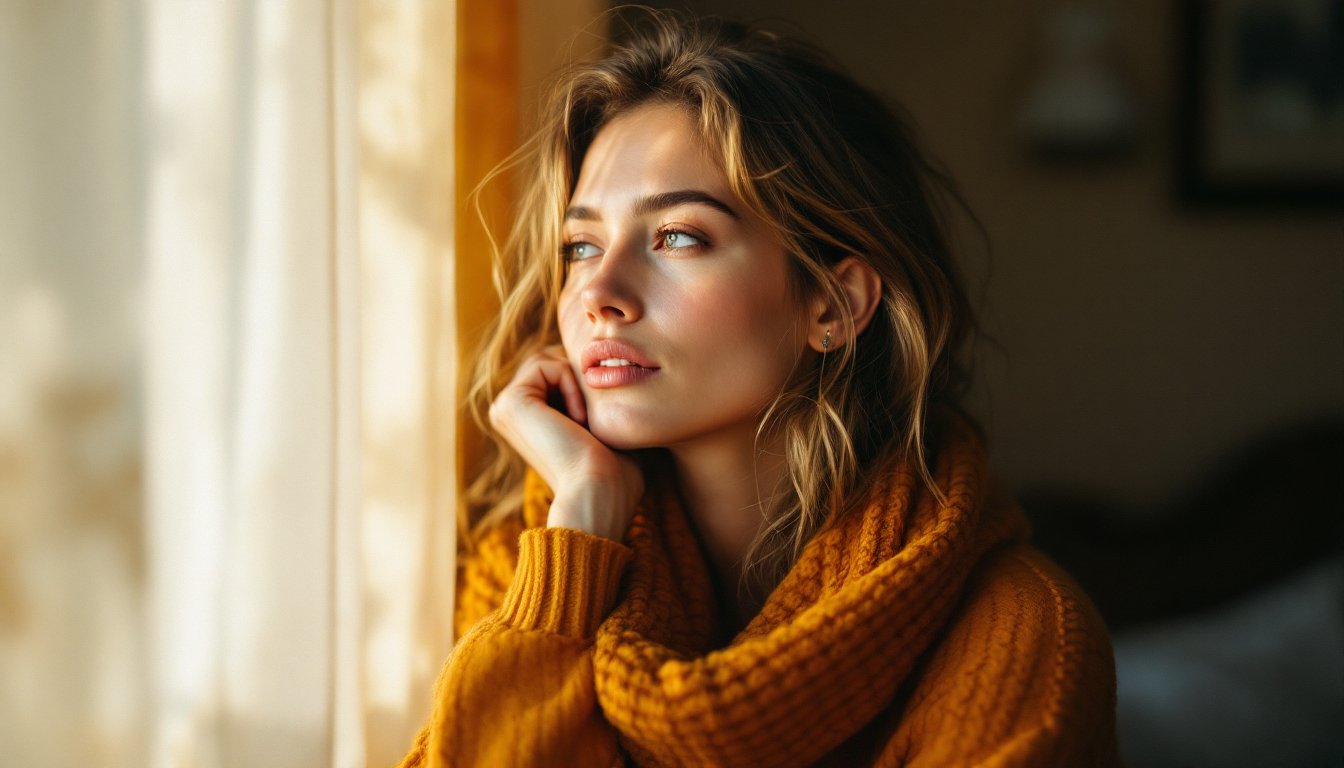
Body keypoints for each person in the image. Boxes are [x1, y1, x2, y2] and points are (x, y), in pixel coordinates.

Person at [398, 9, 1119, 767]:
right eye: (580, 246)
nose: (598, 293)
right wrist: (580, 520)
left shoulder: (1023, 634)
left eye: (679, 235)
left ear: (833, 305)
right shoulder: (536, 570)